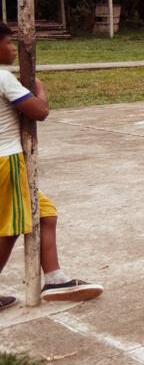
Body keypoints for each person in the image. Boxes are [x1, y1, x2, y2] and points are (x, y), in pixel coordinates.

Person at [0, 24, 103, 309]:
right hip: (7, 161)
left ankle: (55, 278)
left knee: (45, 213)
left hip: (8, 162)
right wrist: (39, 89)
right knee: (10, 227)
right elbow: (40, 112)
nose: (11, 49)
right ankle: (54, 279)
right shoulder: (3, 79)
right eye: (8, 43)